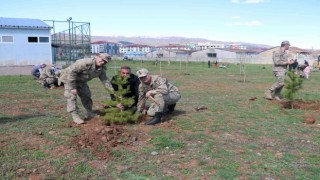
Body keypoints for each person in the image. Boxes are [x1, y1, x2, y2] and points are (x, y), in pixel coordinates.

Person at [59, 53, 113, 124]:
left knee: (86, 95)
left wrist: (112, 92)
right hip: (69, 79)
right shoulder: (84, 63)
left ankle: (89, 113)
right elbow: (71, 72)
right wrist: (72, 87)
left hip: (81, 80)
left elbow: (105, 81)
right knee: (71, 96)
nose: (103, 62)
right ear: (97, 57)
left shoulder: (101, 69)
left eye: (105, 62)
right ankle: (75, 116)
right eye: (102, 60)